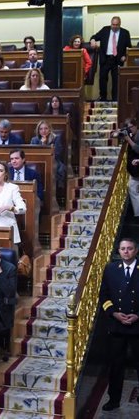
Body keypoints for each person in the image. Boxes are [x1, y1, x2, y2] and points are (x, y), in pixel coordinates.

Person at [98, 238, 139, 411]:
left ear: (136, 250)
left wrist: (137, 315)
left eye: (129, 248)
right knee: (115, 366)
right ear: (119, 251)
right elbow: (104, 296)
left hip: (138, 325)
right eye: (123, 249)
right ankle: (114, 400)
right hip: (117, 325)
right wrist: (114, 313)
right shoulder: (111, 268)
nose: (126, 252)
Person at [90, 16, 133, 101]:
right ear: (111, 23)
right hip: (105, 58)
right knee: (102, 79)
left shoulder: (125, 33)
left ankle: (115, 98)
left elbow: (129, 47)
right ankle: (103, 97)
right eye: (113, 24)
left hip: (117, 59)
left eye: (117, 25)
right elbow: (94, 36)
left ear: (120, 24)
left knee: (116, 80)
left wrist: (125, 55)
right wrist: (92, 40)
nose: (114, 26)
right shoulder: (105, 30)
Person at [31, 119, 65, 189]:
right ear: (38, 130)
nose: (43, 131)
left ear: (49, 129)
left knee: (60, 168)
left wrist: (44, 144)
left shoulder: (56, 138)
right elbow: (32, 154)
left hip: (54, 160)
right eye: (41, 129)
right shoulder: (34, 140)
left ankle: (56, 189)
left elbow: (58, 153)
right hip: (38, 161)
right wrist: (42, 144)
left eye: (46, 128)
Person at [119, 119, 139, 219]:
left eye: (131, 127)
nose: (130, 130)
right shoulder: (130, 135)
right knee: (132, 189)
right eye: (128, 128)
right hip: (134, 171)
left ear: (135, 126)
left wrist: (129, 140)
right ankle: (137, 215)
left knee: (133, 189)